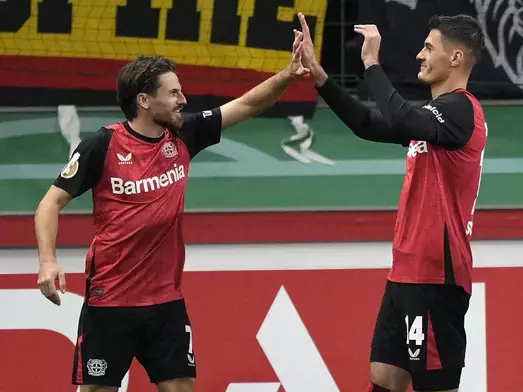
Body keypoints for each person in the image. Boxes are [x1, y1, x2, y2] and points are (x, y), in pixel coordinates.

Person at [34, 32, 310, 392]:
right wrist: (47, 261)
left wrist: (288, 75)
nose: (183, 99)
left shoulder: (183, 136)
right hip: (110, 302)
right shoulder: (102, 145)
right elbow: (49, 204)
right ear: (145, 100)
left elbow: (245, 105)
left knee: (180, 386)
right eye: (174, 93)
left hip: (166, 302)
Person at [297, 13, 486, 392]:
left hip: (437, 274)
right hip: (406, 271)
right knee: (385, 376)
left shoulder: (461, 110)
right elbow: (368, 123)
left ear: (456, 58)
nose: (420, 55)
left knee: (434, 385)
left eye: (429, 48)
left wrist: (371, 63)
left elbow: (400, 120)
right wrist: (319, 76)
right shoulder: (434, 119)